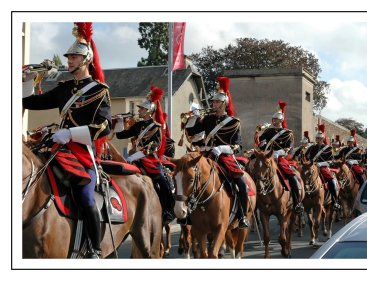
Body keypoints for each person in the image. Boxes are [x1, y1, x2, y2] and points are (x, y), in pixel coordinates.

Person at [22, 22, 110, 258]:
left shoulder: (98, 91)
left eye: (74, 57)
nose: (69, 61)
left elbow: (104, 127)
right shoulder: (64, 89)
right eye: (69, 57)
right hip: (56, 147)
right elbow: (30, 103)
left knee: (85, 196)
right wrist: (28, 81)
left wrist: (71, 133)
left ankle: (94, 248)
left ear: (86, 59)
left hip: (81, 152)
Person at [183, 76, 249, 229]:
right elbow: (192, 132)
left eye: (216, 102)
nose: (213, 104)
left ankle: (242, 215)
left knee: (241, 184)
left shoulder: (234, 122)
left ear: (224, 104)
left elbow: (237, 146)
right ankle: (187, 213)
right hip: (206, 155)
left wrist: (221, 148)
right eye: (213, 101)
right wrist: (192, 119)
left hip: (224, 156)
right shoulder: (207, 119)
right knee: (188, 177)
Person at [115, 86, 175, 224]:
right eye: (140, 108)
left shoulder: (156, 127)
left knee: (162, 179)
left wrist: (133, 157)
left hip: (150, 160)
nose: (139, 110)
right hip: (135, 159)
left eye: (141, 109)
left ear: (149, 111)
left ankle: (168, 210)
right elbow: (120, 135)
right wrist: (119, 122)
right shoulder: (138, 125)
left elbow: (154, 147)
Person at [256, 101, 304, 214]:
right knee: (256, 173)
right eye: (273, 119)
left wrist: (278, 153)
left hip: (280, 158)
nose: (274, 121)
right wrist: (260, 140)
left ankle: (297, 202)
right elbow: (260, 144)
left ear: (281, 120)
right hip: (267, 157)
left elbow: (290, 149)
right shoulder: (268, 131)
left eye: (276, 119)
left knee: (292, 177)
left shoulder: (288, 133)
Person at [304, 124, 341, 211]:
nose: (318, 140)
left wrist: (320, 164)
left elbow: (330, 161)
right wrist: (308, 163)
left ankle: (335, 200)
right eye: (317, 138)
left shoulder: (328, 148)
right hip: (312, 167)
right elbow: (306, 157)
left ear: (323, 139)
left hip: (323, 167)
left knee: (331, 180)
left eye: (320, 138)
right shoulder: (311, 147)